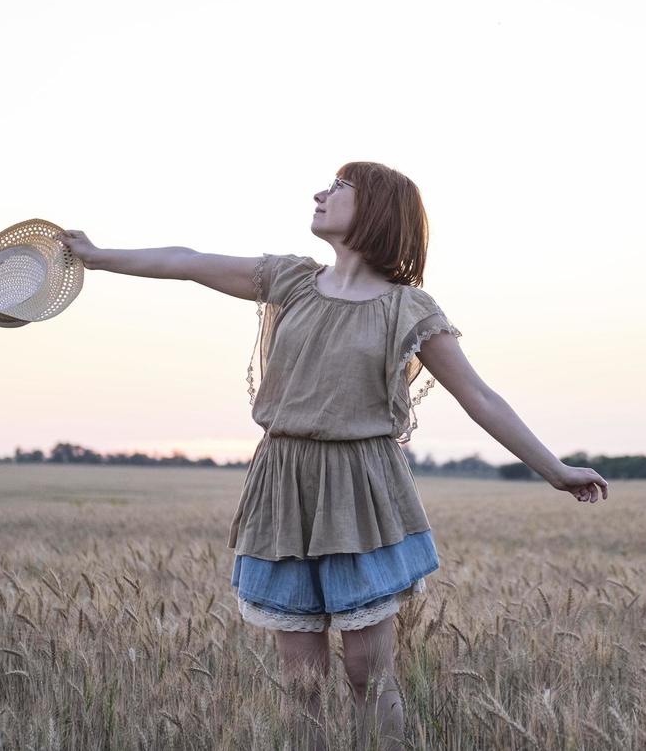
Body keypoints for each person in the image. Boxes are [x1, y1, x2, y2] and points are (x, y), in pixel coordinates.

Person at [55, 161, 609, 751]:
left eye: (340, 187)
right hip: (283, 482)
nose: (321, 193)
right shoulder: (291, 280)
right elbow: (186, 262)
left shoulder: (409, 310)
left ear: (376, 210)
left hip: (360, 491)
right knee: (301, 682)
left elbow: (479, 397)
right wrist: (97, 255)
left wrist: (555, 469)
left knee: (367, 674)